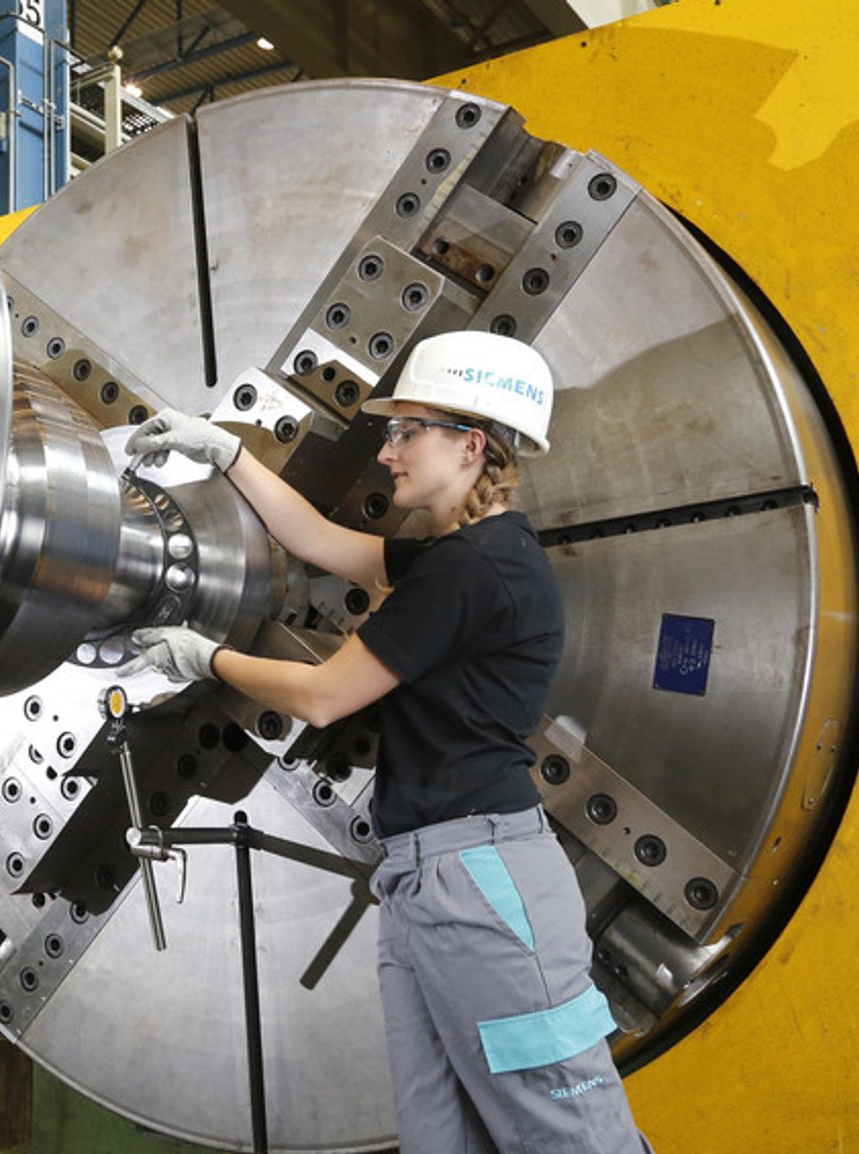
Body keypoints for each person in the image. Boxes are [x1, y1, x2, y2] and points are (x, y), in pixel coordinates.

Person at [124, 331, 652, 1154]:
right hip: (423, 879)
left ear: (471, 445)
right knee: (439, 1137)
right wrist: (227, 453)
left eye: (408, 431)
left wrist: (207, 657)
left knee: (569, 1135)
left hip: (482, 881)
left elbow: (324, 697)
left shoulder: (471, 572)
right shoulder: (462, 557)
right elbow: (318, 542)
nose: (389, 449)